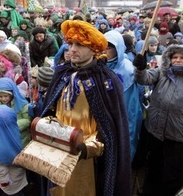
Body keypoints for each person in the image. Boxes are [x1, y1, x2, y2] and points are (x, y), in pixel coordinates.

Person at [40, 20, 131, 195]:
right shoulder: (61, 74)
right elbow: (50, 111)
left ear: (94, 49)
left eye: (80, 44)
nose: (72, 49)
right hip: (57, 151)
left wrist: (88, 147)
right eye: (71, 43)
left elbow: (111, 129)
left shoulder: (107, 81)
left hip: (86, 160)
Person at [132, 44, 183, 196]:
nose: (178, 60)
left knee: (171, 178)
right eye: (174, 57)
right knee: (153, 171)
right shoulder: (162, 74)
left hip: (179, 142)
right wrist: (140, 68)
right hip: (155, 135)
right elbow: (143, 78)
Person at [104, 30, 143, 162]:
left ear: (118, 49)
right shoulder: (100, 66)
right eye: (102, 46)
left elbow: (131, 111)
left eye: (108, 48)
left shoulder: (127, 70)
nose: (104, 51)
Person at [0, 77, 31, 148]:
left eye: (6, 96)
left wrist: (13, 125)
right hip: (4, 138)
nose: (3, 99)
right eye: (0, 96)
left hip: (20, 137)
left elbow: (27, 119)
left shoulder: (22, 104)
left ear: (12, 94)